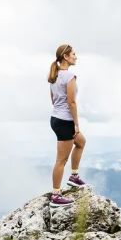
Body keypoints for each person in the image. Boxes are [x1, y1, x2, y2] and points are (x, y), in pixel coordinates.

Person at [48, 44, 88, 208]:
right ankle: (56, 195)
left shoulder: (54, 75)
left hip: (56, 118)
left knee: (81, 142)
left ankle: (74, 176)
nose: (76, 57)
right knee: (61, 160)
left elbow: (53, 98)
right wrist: (76, 124)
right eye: (73, 54)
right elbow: (71, 102)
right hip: (65, 121)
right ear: (65, 57)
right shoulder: (69, 76)